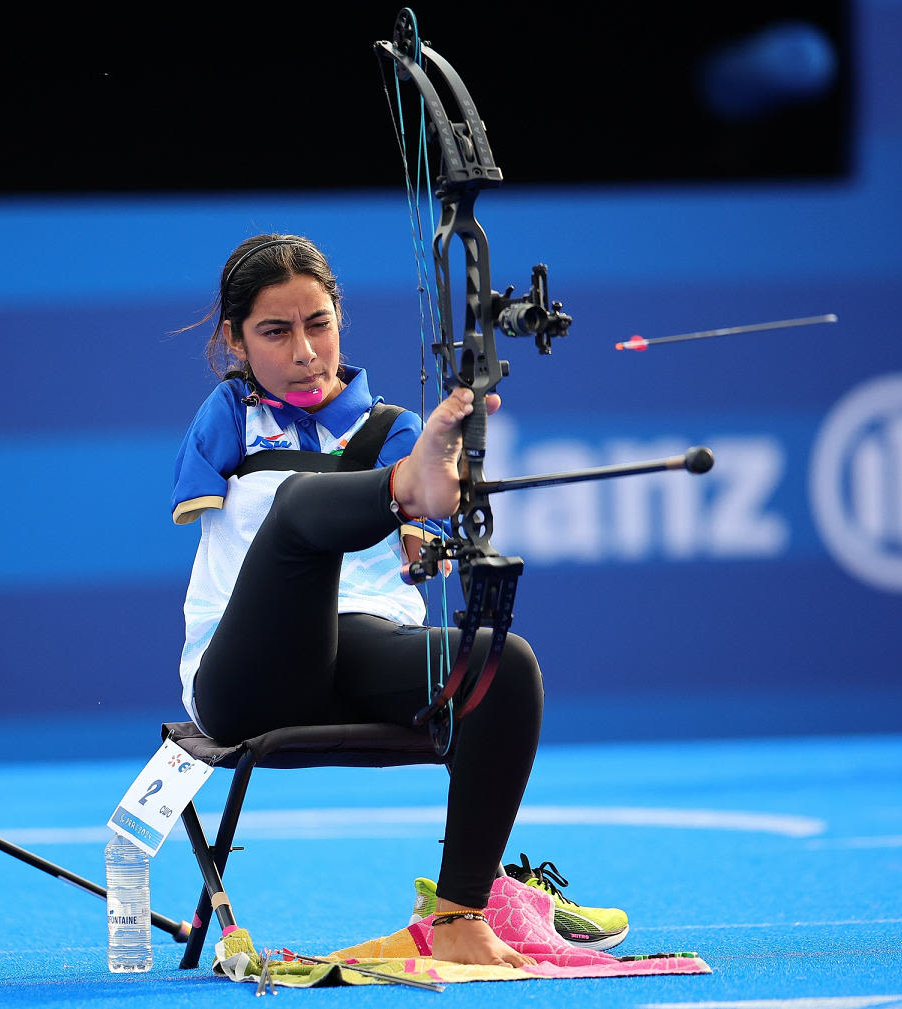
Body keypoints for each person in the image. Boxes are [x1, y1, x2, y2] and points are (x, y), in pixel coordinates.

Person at [171, 234, 621, 966]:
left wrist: (429, 509)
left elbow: (423, 545)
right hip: (245, 675)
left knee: (503, 663)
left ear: (341, 316)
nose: (305, 352)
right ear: (234, 338)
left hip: (360, 654)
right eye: (274, 332)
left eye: (318, 323)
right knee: (299, 506)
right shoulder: (227, 416)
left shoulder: (395, 429)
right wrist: (402, 489)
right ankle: (398, 488)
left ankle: (460, 917)